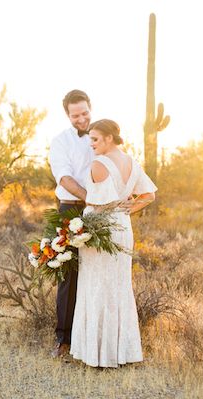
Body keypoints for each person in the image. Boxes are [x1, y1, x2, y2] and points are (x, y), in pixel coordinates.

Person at [70, 119, 157, 368]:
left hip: (101, 230)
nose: (92, 145)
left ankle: (97, 353)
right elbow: (149, 195)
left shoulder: (99, 164)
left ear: (109, 138)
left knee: (96, 286)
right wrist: (131, 207)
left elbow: (97, 204)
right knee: (118, 287)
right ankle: (121, 352)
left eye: (95, 139)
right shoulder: (132, 162)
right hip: (122, 228)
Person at [48, 89, 95, 358]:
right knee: (69, 274)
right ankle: (63, 339)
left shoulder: (103, 136)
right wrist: (90, 199)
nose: (81, 119)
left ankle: (92, 336)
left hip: (100, 211)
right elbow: (64, 178)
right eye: (75, 115)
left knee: (98, 270)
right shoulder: (60, 142)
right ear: (67, 115)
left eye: (85, 113)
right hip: (71, 210)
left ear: (91, 108)